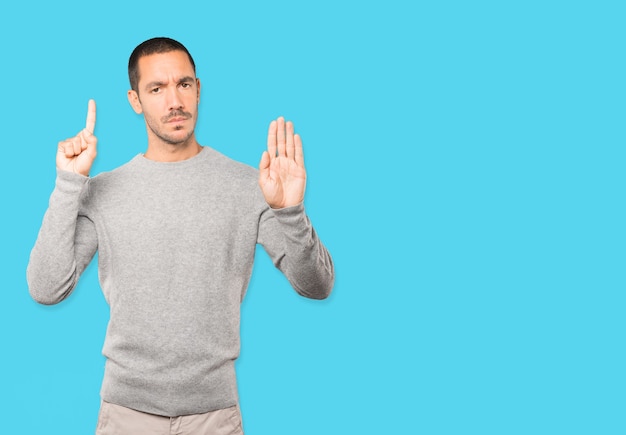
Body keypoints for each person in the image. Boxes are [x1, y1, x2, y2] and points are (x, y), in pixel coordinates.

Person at [27, 37, 334, 435]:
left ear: (198, 89)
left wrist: (289, 210)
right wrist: (69, 183)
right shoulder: (103, 190)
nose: (175, 101)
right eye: (157, 89)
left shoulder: (251, 185)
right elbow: (46, 288)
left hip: (215, 416)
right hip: (126, 414)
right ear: (135, 100)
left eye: (184, 84)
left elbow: (318, 286)